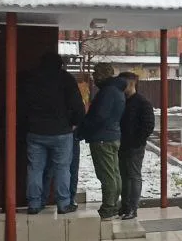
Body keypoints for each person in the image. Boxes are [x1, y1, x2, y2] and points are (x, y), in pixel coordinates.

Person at [19, 52, 85, 215]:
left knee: (35, 168)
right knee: (62, 168)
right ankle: (63, 204)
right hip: (61, 132)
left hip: (35, 132)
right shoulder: (66, 79)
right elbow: (77, 105)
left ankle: (34, 204)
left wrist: (27, 125)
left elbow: (21, 105)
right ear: (59, 64)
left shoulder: (30, 79)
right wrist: (74, 123)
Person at [76, 62, 127, 219]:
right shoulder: (117, 90)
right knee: (114, 173)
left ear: (101, 75)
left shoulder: (107, 92)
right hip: (113, 136)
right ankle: (113, 205)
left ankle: (108, 208)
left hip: (102, 138)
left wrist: (82, 130)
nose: (93, 77)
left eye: (95, 74)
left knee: (106, 175)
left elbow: (99, 116)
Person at [116, 71, 155, 220]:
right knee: (123, 176)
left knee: (133, 176)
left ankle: (133, 208)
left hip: (135, 147)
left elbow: (148, 125)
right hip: (121, 145)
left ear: (131, 84)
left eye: (123, 84)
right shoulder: (122, 100)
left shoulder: (142, 102)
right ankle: (125, 206)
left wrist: (137, 141)